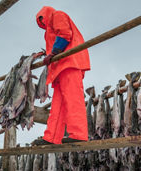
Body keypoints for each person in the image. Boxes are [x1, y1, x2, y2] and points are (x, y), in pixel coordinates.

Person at [34, 6, 91, 145]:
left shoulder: (57, 15)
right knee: (57, 106)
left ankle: (79, 134)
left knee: (73, 99)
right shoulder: (47, 31)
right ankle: (51, 137)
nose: (42, 22)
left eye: (42, 19)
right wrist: (50, 56)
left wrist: (53, 53)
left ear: (45, 15)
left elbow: (65, 34)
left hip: (70, 63)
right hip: (59, 69)